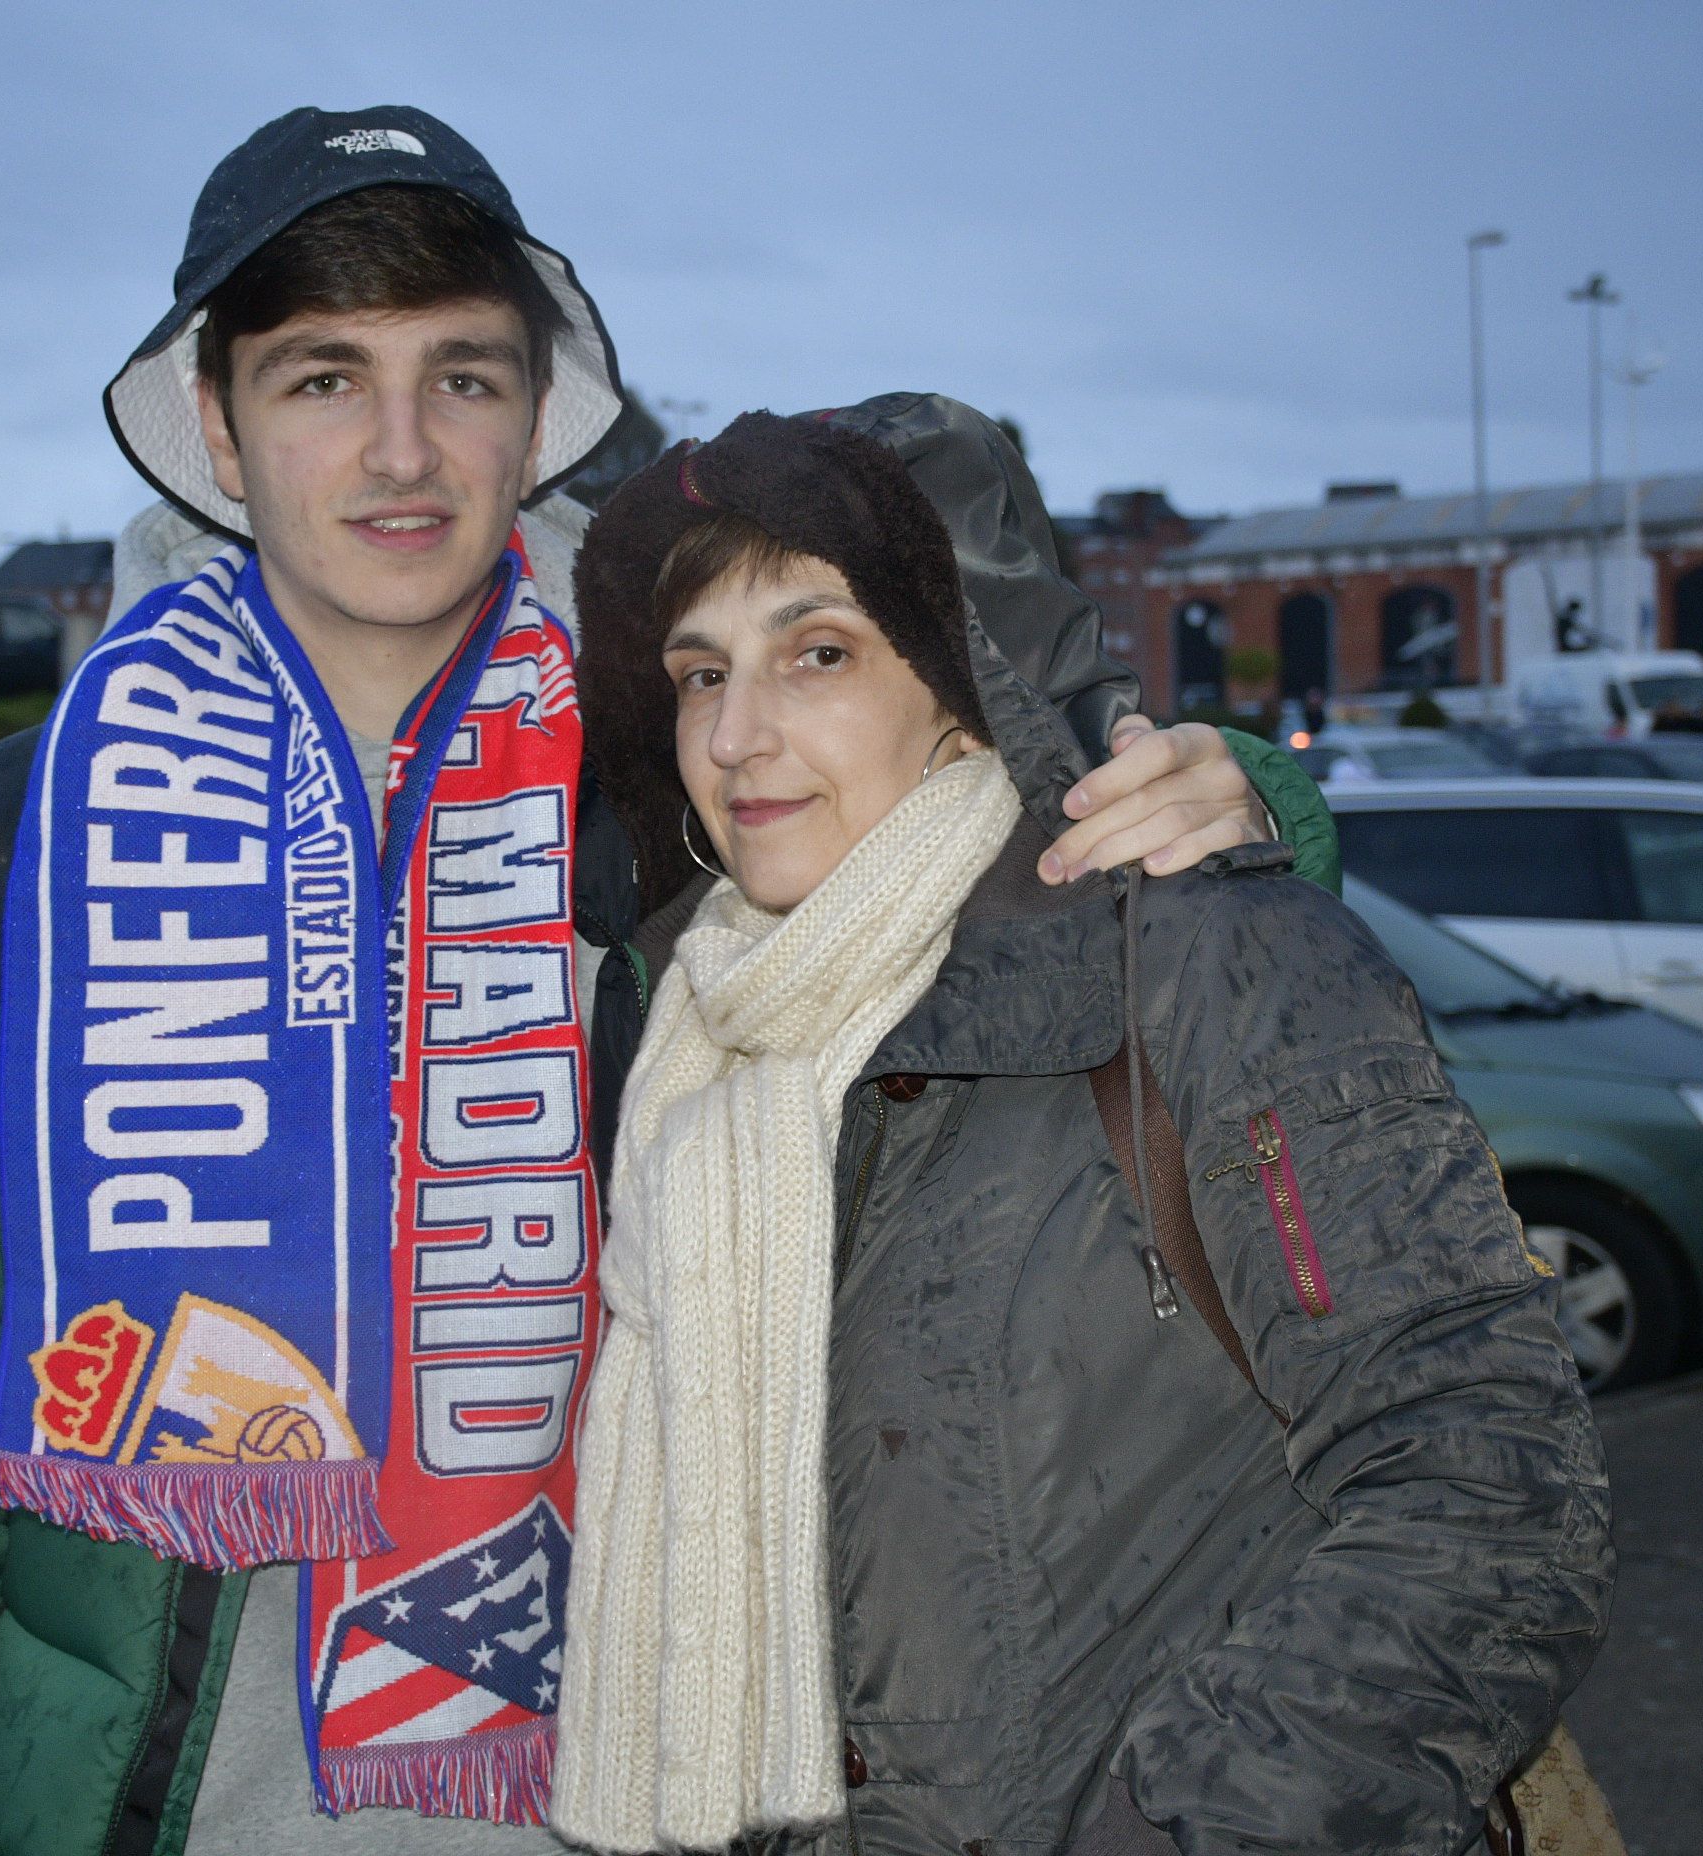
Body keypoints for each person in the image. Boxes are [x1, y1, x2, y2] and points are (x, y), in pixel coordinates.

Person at [0, 108, 1320, 1856]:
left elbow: (1016, 869)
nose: (402, 451)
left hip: (648, 1803)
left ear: (533, 413)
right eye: (324, 378)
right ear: (216, 420)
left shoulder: (691, 795)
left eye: (462, 379)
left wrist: (1244, 799)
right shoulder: (3, 861)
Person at [550, 405, 1610, 1856]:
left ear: (961, 681)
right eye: (698, 672)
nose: (736, 735)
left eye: (820, 652)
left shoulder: (1193, 963)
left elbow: (1484, 1483)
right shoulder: (698, 1054)